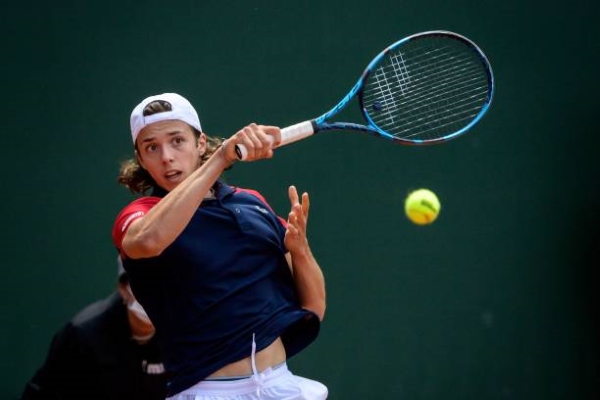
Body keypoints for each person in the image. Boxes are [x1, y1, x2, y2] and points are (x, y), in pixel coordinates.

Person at [112, 93, 328, 399]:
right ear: (142, 160)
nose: (166, 157)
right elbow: (146, 241)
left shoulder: (251, 203)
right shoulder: (141, 215)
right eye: (151, 148)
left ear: (200, 143)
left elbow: (314, 306)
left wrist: (300, 250)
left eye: (177, 141)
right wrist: (221, 157)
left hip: (280, 384)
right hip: (209, 391)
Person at [20, 257, 168, 399]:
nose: (154, 296)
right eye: (145, 285)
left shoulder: (183, 331)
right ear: (123, 289)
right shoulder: (83, 334)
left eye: (164, 285)